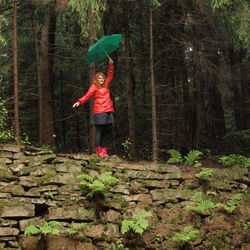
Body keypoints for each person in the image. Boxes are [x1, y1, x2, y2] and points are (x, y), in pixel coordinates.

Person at [72, 58, 114, 158]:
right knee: (99, 131)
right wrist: (79, 101)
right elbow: (87, 96)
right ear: (96, 79)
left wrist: (111, 65)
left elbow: (110, 75)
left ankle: (104, 151)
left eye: (102, 78)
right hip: (100, 111)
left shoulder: (106, 85)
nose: (101, 79)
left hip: (108, 110)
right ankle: (98, 150)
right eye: (99, 78)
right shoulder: (94, 87)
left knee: (105, 131)